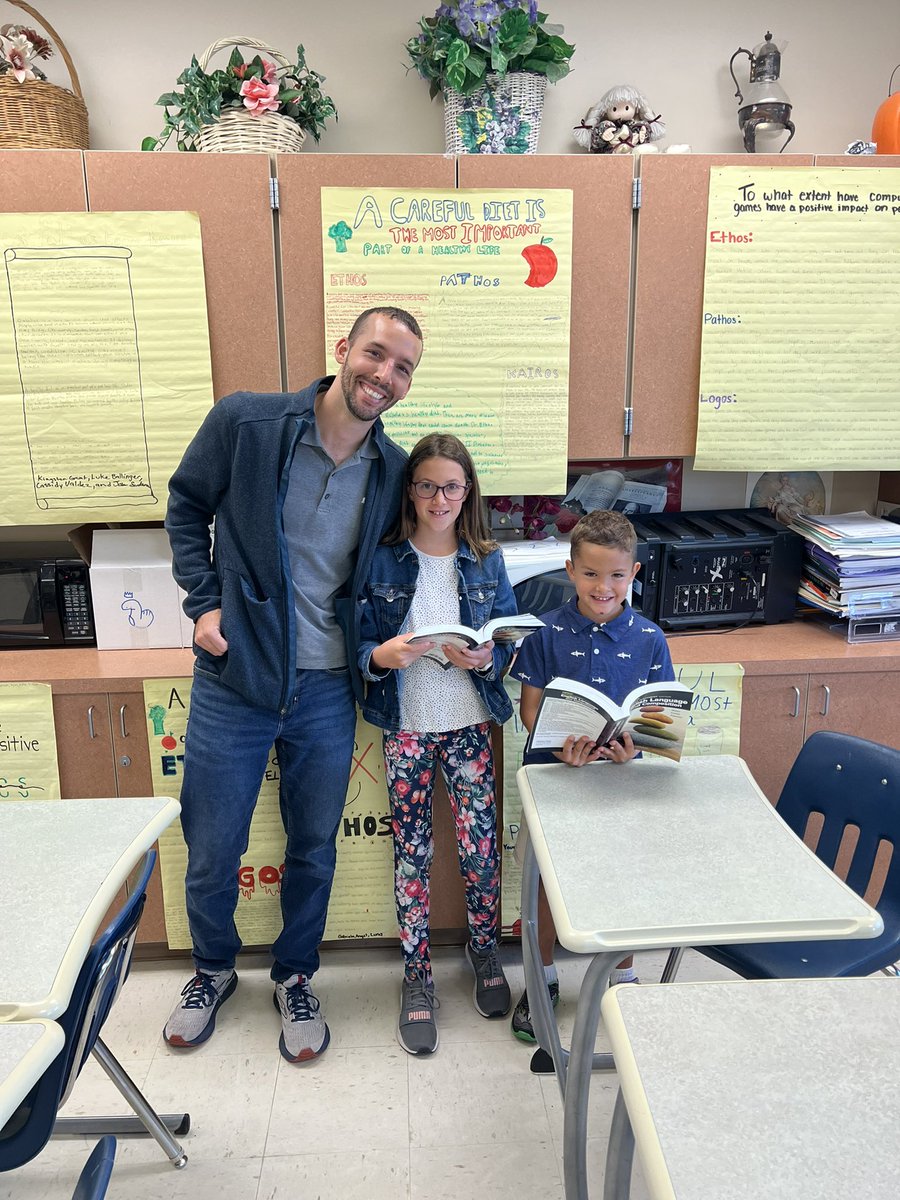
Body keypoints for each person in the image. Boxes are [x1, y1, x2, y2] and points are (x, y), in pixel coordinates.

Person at [162, 306, 424, 1063]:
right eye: (376, 354)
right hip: (234, 677)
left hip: (326, 690)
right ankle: (212, 968)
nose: (385, 375)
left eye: (403, 367)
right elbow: (186, 505)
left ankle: (295, 972)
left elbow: (402, 562)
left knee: (313, 845)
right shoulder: (247, 422)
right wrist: (203, 601)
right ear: (343, 349)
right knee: (213, 843)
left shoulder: (393, 471)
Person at [358, 433, 517, 1055]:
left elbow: (505, 638)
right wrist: (384, 654)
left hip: (470, 724)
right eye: (426, 485)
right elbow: (363, 647)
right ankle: (417, 974)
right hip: (406, 726)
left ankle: (484, 953)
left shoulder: (485, 557)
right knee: (412, 857)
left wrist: (485, 656)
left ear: (468, 491)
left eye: (452, 485)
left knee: (480, 852)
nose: (439, 497)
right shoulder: (383, 558)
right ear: (411, 491)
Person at [508, 508, 674, 1042]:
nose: (604, 587)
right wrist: (561, 748)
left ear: (635, 573)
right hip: (554, 780)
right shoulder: (544, 633)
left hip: (620, 782)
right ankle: (543, 979)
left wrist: (634, 748)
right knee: (545, 885)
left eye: (617, 575)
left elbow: (658, 719)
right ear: (570, 570)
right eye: (591, 574)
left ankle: (621, 977)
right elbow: (530, 712)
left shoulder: (650, 638)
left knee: (620, 879)